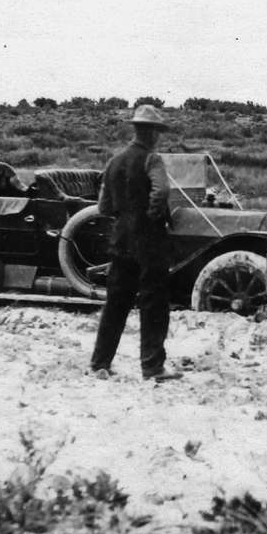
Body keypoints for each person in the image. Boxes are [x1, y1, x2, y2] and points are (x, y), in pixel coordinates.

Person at [88, 104, 182, 381]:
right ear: (153, 133)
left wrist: (124, 217)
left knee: (116, 303)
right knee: (153, 304)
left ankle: (99, 364)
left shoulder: (113, 161)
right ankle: (152, 368)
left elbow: (103, 206)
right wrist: (152, 216)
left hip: (120, 241)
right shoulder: (152, 160)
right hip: (149, 242)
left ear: (136, 129)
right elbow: (162, 190)